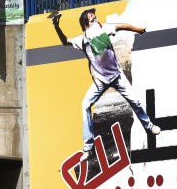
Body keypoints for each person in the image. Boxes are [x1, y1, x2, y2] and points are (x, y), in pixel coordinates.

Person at [53, 8, 159, 157]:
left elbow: (122, 26)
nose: (95, 17)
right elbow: (65, 41)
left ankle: (149, 126)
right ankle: (88, 148)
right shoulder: (82, 39)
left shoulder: (104, 28)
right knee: (85, 104)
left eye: (95, 15)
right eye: (91, 16)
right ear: (85, 22)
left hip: (117, 76)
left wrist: (139, 30)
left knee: (135, 101)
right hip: (101, 81)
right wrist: (56, 26)